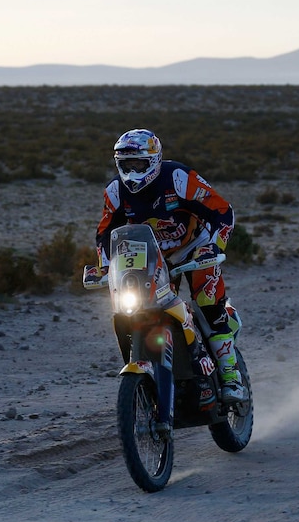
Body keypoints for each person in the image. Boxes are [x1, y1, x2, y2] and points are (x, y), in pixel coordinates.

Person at [95, 128, 247, 403]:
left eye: (138, 163)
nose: (132, 170)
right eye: (126, 164)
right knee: (144, 308)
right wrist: (105, 266)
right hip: (152, 256)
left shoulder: (178, 178)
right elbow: (105, 232)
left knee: (208, 304)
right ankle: (164, 372)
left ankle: (230, 376)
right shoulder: (115, 191)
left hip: (194, 247)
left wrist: (213, 246)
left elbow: (222, 211)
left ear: (153, 160)